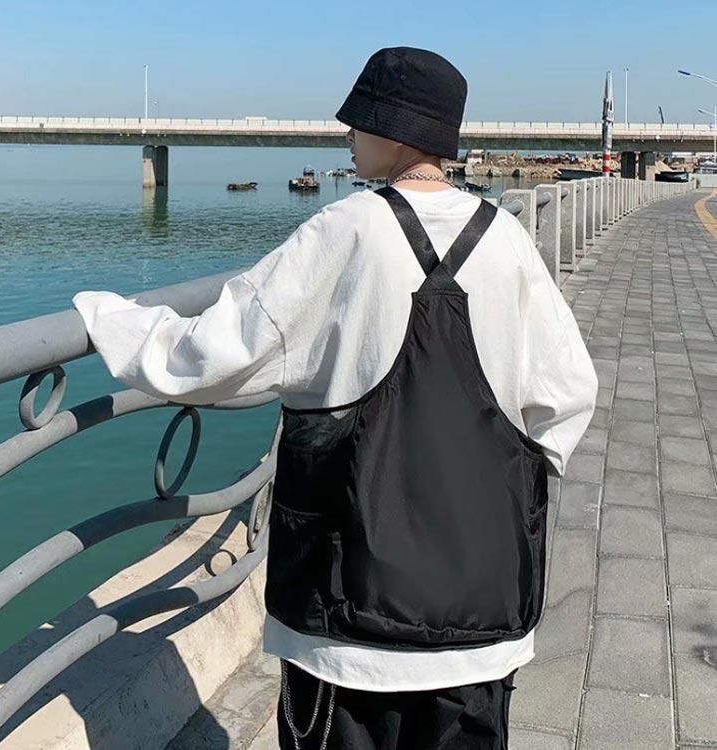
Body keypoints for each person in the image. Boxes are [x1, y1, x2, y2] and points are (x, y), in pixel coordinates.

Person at [72, 46, 598, 750]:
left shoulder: (346, 229)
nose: (346, 132)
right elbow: (568, 395)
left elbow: (216, 356)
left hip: (347, 625)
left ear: (395, 131)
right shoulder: (506, 237)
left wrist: (106, 316)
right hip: (481, 616)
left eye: (359, 120)